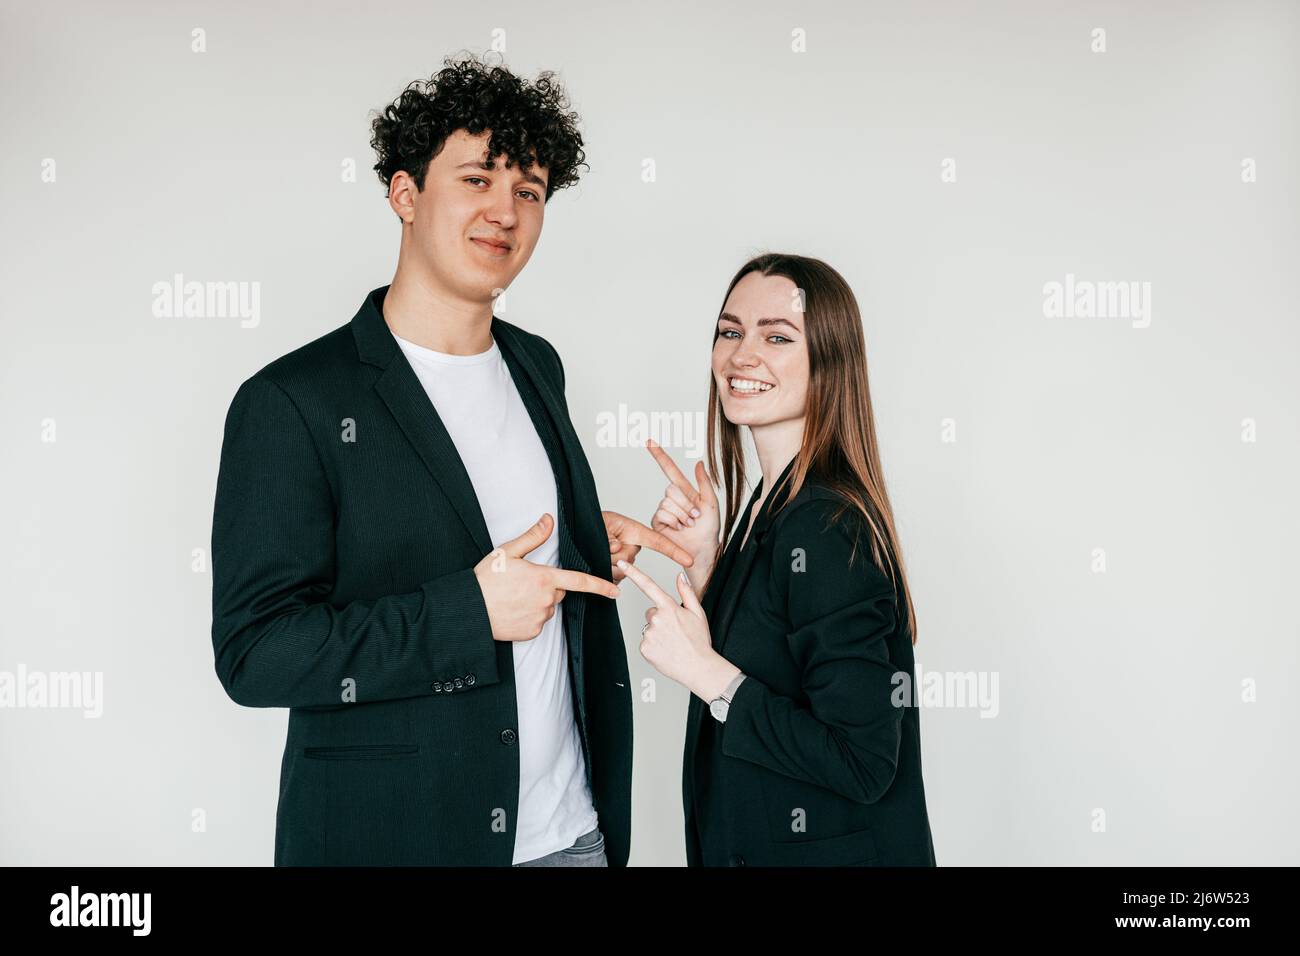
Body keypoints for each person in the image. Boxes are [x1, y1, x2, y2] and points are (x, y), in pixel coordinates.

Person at [210, 52, 687, 867]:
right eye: (477, 179)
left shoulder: (539, 364)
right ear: (404, 194)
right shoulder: (293, 402)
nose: (505, 210)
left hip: (571, 837)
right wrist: (469, 613)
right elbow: (256, 654)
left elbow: (502, 539)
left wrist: (576, 540)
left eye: (528, 190)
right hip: (397, 844)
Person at [618, 253, 937, 866]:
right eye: (731, 331)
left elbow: (862, 761)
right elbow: (778, 655)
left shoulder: (823, 522)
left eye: (777, 336)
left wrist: (704, 672)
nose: (742, 356)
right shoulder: (773, 502)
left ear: (829, 362)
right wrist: (708, 561)